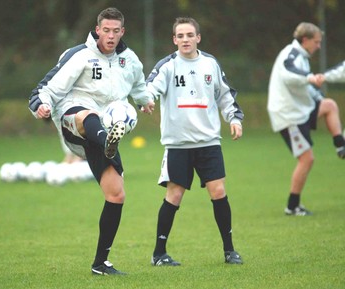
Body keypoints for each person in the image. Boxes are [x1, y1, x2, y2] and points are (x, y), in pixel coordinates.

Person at [28, 7, 155, 275]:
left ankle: (100, 263)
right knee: (88, 115)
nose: (110, 36)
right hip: (75, 119)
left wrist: (145, 101)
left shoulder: (129, 60)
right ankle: (107, 137)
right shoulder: (79, 56)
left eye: (115, 31)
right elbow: (49, 87)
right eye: (106, 30)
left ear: (123, 32)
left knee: (116, 194)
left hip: (105, 130)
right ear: (97, 30)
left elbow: (139, 86)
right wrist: (41, 104)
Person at [146, 17, 244, 266]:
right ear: (174, 40)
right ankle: (159, 254)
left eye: (190, 35)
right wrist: (146, 100)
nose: (185, 39)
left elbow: (224, 95)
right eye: (180, 36)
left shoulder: (210, 64)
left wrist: (234, 118)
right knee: (174, 195)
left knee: (218, 191)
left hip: (209, 142)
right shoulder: (167, 66)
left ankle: (230, 250)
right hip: (178, 144)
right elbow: (151, 88)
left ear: (198, 38)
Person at [267, 22, 345, 216]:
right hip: (288, 115)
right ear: (305, 40)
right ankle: (292, 206)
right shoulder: (290, 55)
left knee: (329, 105)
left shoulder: (302, 57)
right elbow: (289, 73)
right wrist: (310, 77)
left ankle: (341, 146)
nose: (318, 46)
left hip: (300, 110)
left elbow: (306, 86)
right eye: (317, 42)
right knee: (307, 159)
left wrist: (315, 89)